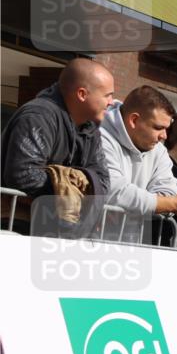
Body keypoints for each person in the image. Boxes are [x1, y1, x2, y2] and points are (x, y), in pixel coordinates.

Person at [1, 58, 115, 230]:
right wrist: (70, 183)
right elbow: (22, 175)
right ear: (82, 94)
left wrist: (67, 181)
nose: (112, 102)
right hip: (15, 226)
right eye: (107, 95)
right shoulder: (37, 117)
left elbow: (103, 182)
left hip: (58, 231)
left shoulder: (91, 129)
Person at [102, 86, 177, 223]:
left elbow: (168, 191)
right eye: (158, 128)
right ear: (134, 120)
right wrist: (172, 204)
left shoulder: (159, 149)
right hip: (86, 241)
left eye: (167, 129)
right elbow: (113, 191)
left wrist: (144, 203)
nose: (164, 136)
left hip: (129, 241)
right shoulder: (100, 137)